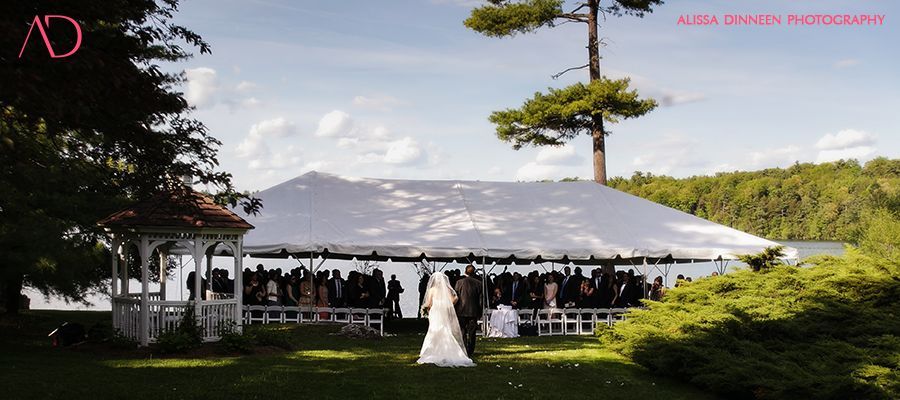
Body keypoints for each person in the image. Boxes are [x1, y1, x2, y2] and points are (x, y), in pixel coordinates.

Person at [417, 272, 474, 367]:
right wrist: (446, 305)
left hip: (435, 311)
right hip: (443, 310)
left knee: (434, 329)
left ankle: (430, 350)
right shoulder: (446, 289)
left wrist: (425, 308)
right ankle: (450, 350)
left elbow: (429, 303)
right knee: (445, 328)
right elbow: (454, 299)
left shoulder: (432, 290)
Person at [453, 265, 482, 359]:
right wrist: (480, 311)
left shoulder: (459, 283)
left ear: (465, 272)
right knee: (472, 332)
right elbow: (480, 300)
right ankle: (471, 349)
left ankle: (464, 348)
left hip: (461, 310)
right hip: (473, 311)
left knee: (462, 330)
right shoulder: (479, 283)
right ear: (474, 273)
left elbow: (456, 297)